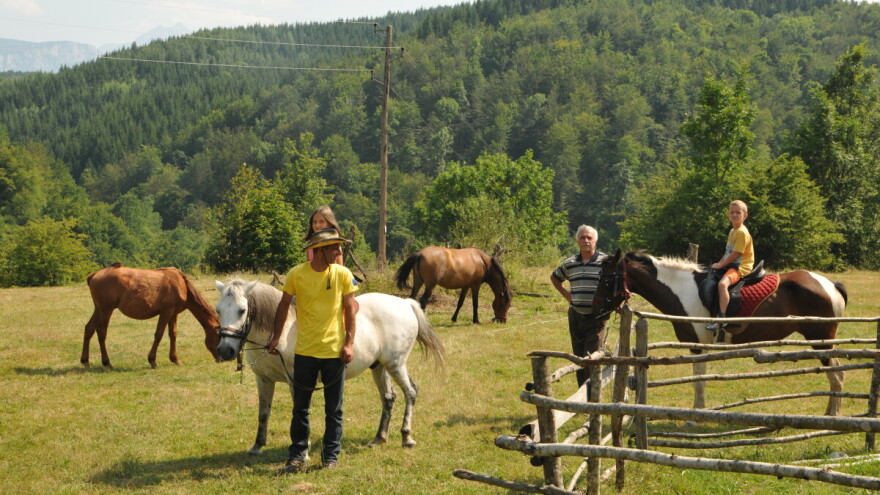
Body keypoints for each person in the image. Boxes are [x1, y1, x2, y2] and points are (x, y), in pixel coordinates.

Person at [267, 228, 359, 474]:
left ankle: (330, 457)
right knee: (300, 408)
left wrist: (349, 343)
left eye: (339, 247)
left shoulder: (343, 274)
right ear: (319, 251)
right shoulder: (297, 274)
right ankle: (297, 456)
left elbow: (350, 310)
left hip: (334, 353)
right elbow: (283, 306)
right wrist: (276, 337)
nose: (339, 252)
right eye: (334, 248)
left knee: (334, 410)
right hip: (305, 351)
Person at [550, 225, 609, 390]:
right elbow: (555, 278)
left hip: (597, 317)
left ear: (595, 240)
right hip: (575, 315)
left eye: (589, 238)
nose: (586, 241)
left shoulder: (606, 262)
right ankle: (581, 394)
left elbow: (617, 283)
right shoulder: (570, 263)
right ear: (577, 241)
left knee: (590, 357)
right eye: (582, 238)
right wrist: (568, 296)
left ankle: (591, 395)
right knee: (578, 356)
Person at [705, 200, 754, 332]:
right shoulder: (733, 230)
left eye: (738, 212)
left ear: (745, 216)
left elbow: (735, 254)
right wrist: (718, 264)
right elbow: (728, 252)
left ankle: (722, 318)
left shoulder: (742, 232)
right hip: (732, 263)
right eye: (732, 212)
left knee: (722, 285)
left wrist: (721, 265)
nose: (734, 215)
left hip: (740, 266)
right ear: (728, 215)